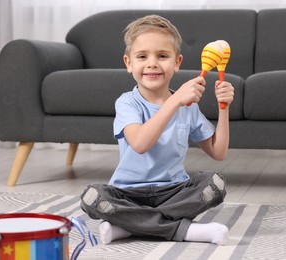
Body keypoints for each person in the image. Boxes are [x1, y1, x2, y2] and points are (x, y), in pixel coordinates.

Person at [80, 14, 234, 245]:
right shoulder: (127, 103)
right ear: (128, 63)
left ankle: (129, 227)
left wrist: (224, 107)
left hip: (174, 193)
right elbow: (141, 144)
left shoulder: (188, 106)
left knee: (215, 184)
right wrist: (175, 101)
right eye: (142, 56)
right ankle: (186, 231)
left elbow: (218, 152)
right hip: (127, 194)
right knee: (93, 197)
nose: (152, 63)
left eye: (162, 56)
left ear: (177, 62)